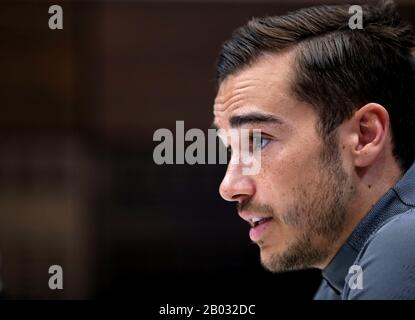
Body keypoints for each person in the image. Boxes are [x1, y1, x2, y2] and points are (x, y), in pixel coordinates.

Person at [212, 0, 415, 299]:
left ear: (364, 136)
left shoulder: (402, 244)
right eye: (231, 148)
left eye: (259, 141)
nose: (229, 187)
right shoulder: (345, 273)